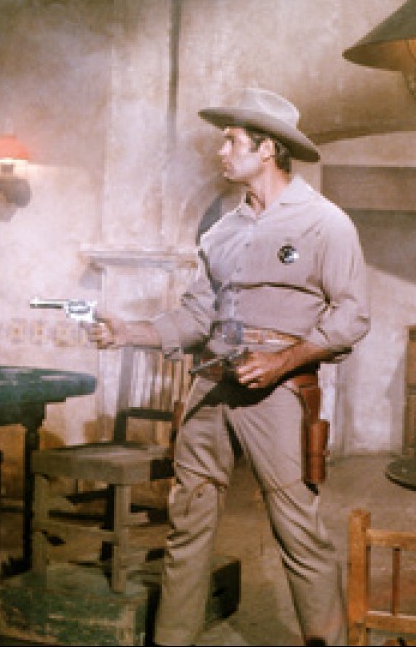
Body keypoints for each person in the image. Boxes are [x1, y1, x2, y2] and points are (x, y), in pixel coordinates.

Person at [87, 87, 371, 646]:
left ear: (267, 149)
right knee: (186, 525)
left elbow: (352, 316)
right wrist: (131, 333)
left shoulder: (325, 223)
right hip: (211, 387)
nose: (220, 151)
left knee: (299, 534)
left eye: (231, 141)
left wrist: (284, 361)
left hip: (279, 394)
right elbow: (197, 316)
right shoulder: (222, 232)